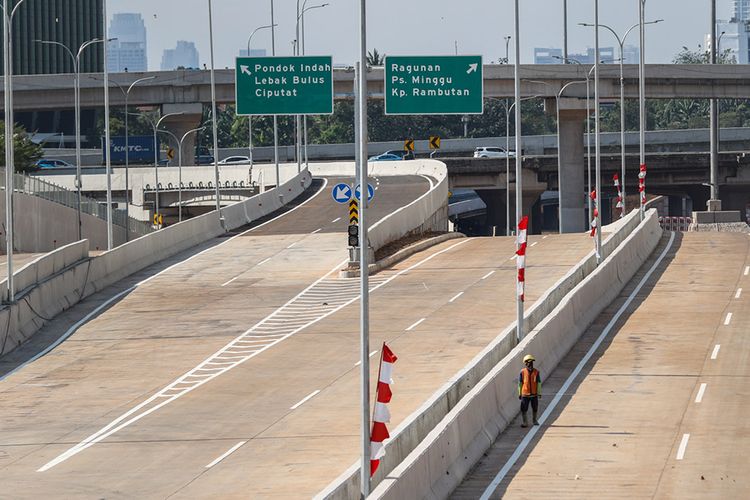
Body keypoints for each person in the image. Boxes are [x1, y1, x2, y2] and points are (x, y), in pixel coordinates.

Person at [518, 354, 542, 427]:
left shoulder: (536, 372)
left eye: (531, 362)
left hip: (534, 394)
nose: (530, 364)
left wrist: (539, 393)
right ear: (525, 363)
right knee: (524, 408)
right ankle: (525, 422)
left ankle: (534, 420)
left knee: (535, 408)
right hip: (525, 394)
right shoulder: (522, 372)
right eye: (528, 362)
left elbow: (539, 383)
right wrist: (519, 393)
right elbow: (520, 383)